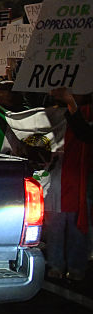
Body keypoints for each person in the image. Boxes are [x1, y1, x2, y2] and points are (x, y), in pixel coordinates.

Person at [42, 87, 93, 281]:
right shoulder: (52, 113)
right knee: (54, 224)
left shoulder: (87, 113)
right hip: (56, 177)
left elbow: (85, 133)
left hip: (82, 179)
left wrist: (71, 103)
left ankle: (76, 266)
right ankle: (55, 264)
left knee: (78, 224)